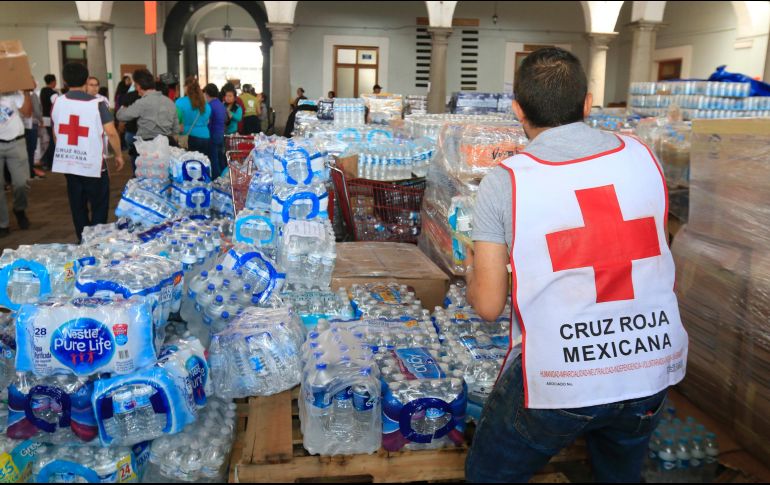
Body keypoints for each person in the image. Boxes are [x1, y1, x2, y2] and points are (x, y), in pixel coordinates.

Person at [463, 47, 688, 483]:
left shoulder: (507, 179)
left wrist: (475, 267)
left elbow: (489, 305)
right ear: (587, 104)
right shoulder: (644, 156)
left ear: (517, 110)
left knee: (489, 474)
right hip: (651, 362)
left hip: (562, 373)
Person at [50, 63, 124, 243]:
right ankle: (96, 242)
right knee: (99, 204)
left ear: (65, 81)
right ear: (86, 80)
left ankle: (82, 240)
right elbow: (111, 132)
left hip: (69, 163)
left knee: (77, 205)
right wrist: (119, 155)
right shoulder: (97, 104)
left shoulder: (58, 102)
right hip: (93, 164)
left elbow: (55, 131)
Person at [116, 68, 179, 169]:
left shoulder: (142, 103)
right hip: (166, 147)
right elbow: (175, 130)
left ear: (139, 86)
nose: (136, 89)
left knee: (146, 179)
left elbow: (121, 116)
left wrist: (124, 106)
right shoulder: (170, 102)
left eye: (135, 86)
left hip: (147, 149)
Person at [0, 85, 33, 237]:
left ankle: (19, 208)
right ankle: (3, 223)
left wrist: (26, 90)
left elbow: (27, 113)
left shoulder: (15, 92)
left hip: (16, 142)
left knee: (21, 183)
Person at [175, 76, 211, 155]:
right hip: (205, 137)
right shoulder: (206, 104)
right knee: (203, 163)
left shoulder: (180, 102)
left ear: (186, 87)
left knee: (190, 164)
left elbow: (176, 120)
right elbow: (207, 120)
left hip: (189, 138)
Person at [22, 82, 44, 179]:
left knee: (27, 149)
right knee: (31, 149)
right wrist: (41, 120)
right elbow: (37, 111)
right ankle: (30, 171)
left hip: (24, 125)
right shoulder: (33, 95)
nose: (35, 83)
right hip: (32, 124)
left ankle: (28, 171)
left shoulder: (20, 95)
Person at [204, 83, 226, 179]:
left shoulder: (209, 106)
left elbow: (208, 122)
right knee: (220, 158)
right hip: (221, 134)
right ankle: (224, 176)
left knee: (213, 159)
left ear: (207, 94)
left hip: (212, 134)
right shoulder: (221, 105)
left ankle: (216, 179)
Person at [39, 74, 58, 171]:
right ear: (53, 82)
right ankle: (48, 162)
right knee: (52, 141)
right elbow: (56, 107)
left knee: (49, 140)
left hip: (44, 118)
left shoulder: (42, 91)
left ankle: (46, 161)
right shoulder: (53, 93)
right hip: (51, 119)